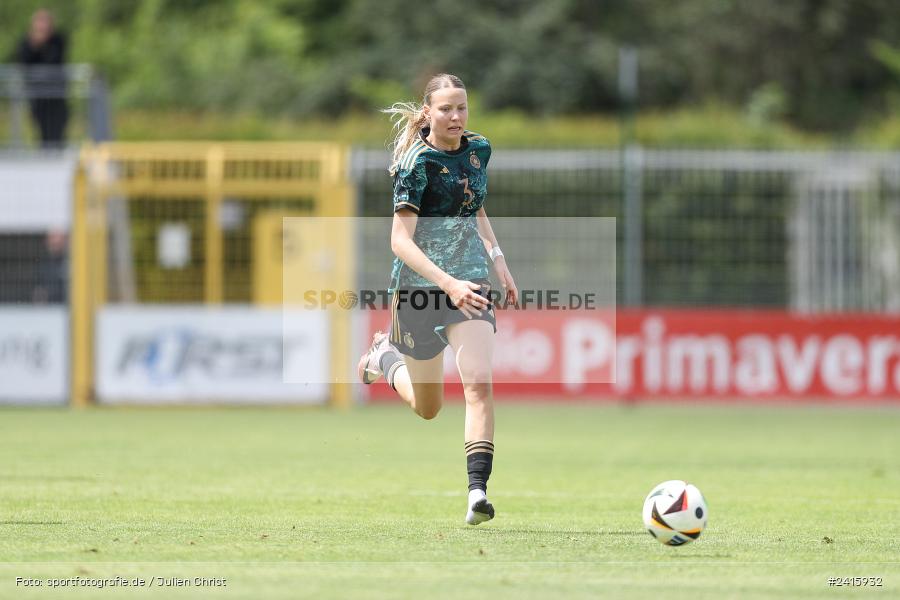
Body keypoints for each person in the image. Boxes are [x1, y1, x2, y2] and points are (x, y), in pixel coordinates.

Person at [357, 74, 518, 525]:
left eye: (462, 107)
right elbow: (399, 241)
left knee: (478, 383)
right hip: (419, 289)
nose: (456, 116)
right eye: (446, 108)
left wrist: (497, 258)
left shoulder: (478, 149)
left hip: (470, 281)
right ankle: (383, 358)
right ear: (427, 113)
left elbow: (475, 203)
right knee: (428, 408)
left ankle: (477, 493)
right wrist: (446, 283)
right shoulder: (416, 163)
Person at [15, 9, 69, 148]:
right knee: (41, 130)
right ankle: (45, 156)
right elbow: (24, 62)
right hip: (37, 96)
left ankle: (57, 156)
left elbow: (55, 60)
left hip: (56, 95)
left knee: (57, 130)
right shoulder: (27, 42)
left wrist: (43, 44)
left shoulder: (58, 39)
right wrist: (35, 45)